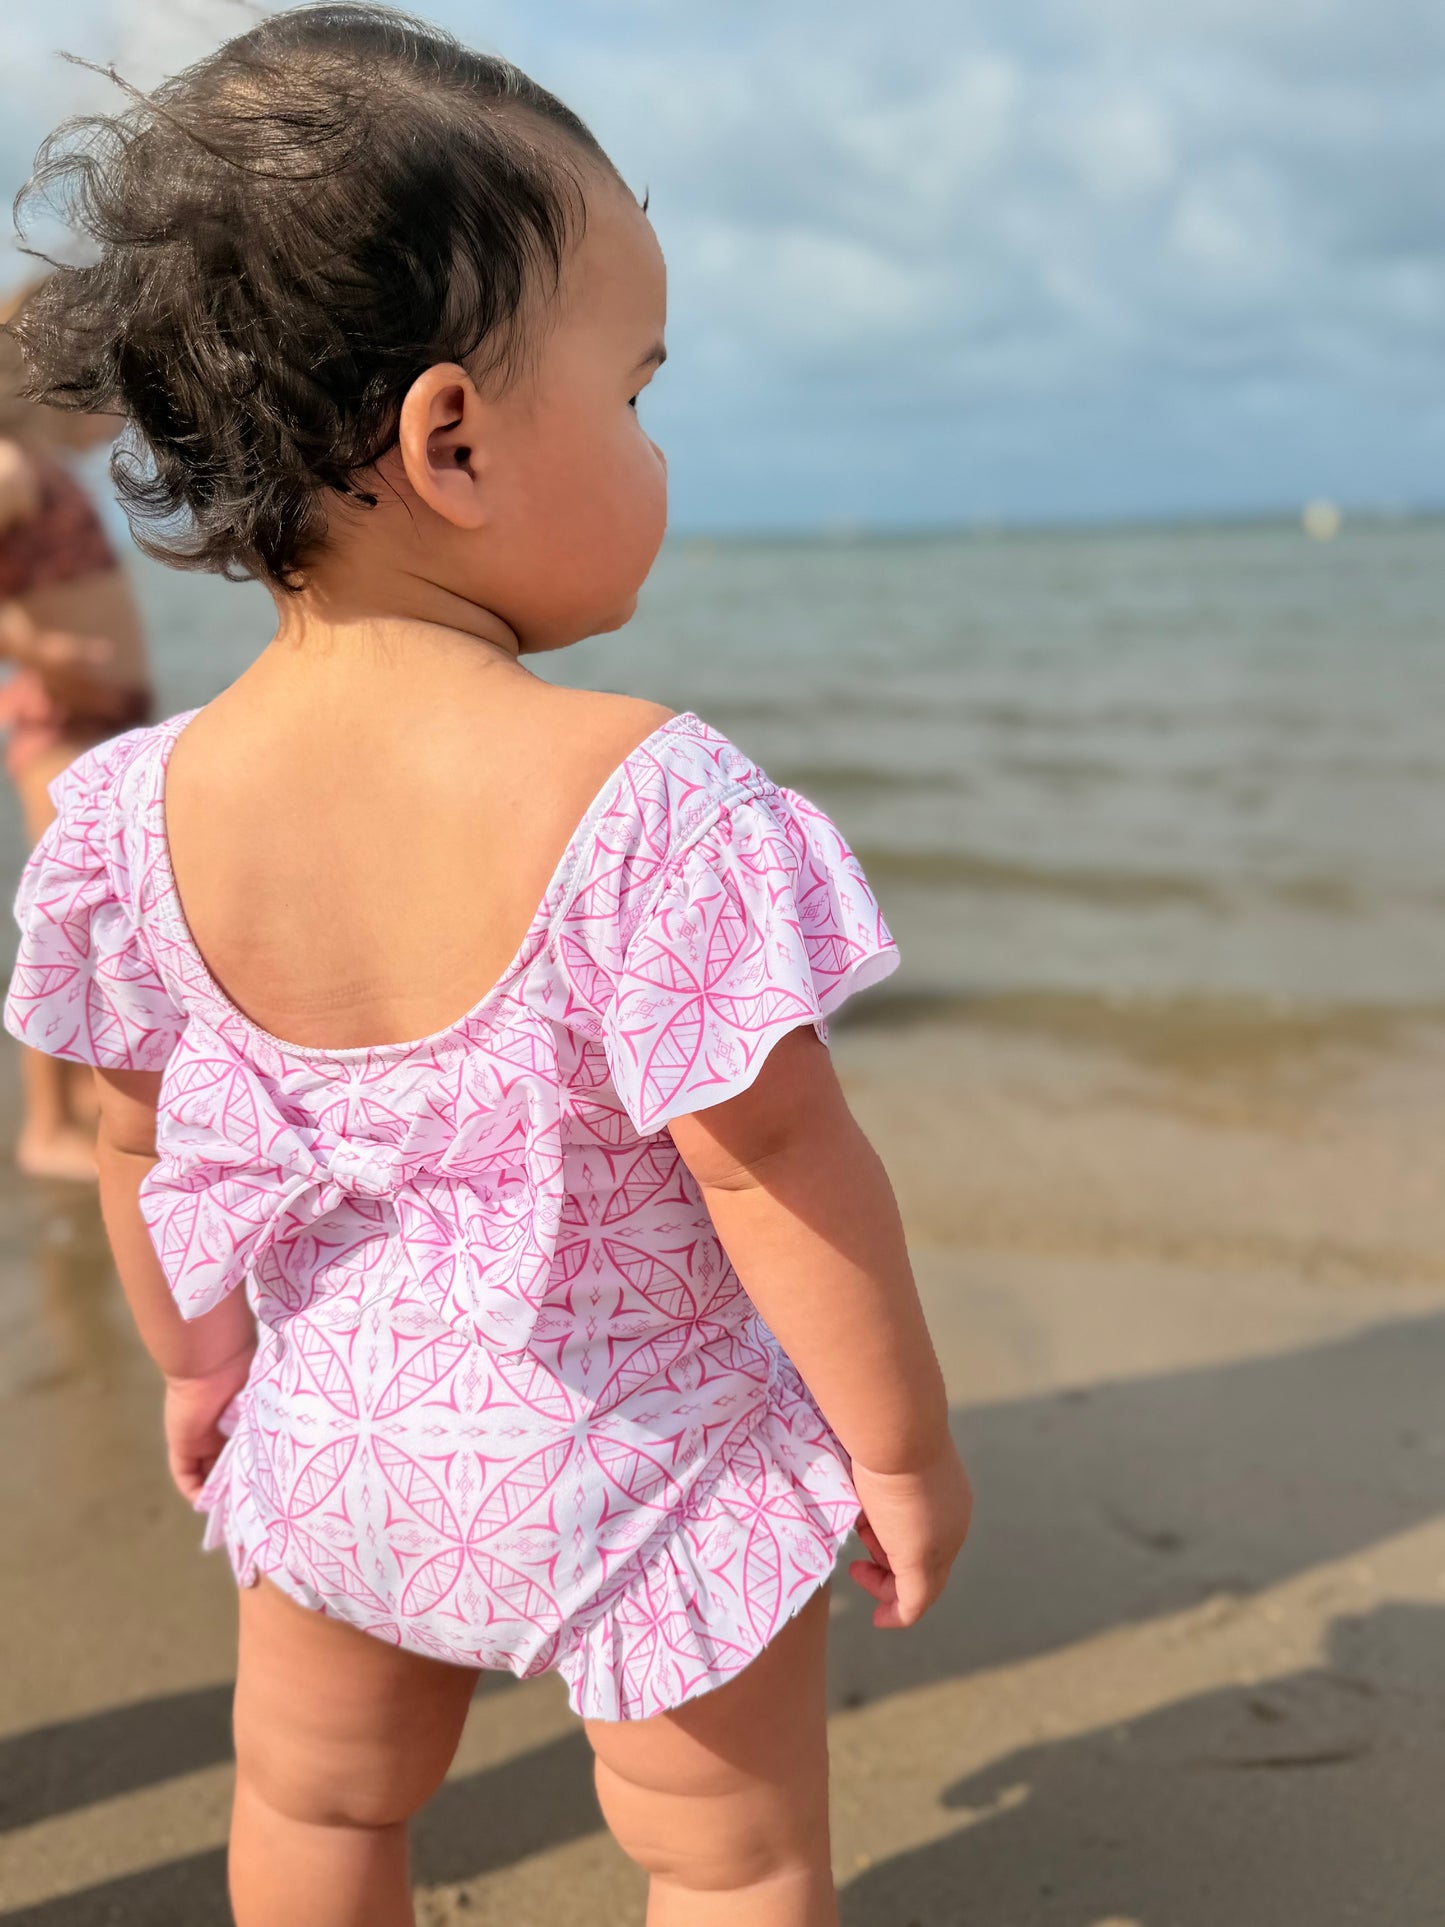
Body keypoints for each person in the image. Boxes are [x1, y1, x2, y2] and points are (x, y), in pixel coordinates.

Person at [3, 9, 972, 1924]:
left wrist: (203, 1365)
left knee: (322, 1816)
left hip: (339, 1444)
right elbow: (771, 1164)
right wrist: (904, 1442)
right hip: (646, 1471)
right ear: (452, 437)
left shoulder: (122, 815)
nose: (658, 445)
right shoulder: (652, 796)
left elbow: (137, 1145)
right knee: (728, 1858)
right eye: (637, 392)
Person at [0, 285, 153, 1179]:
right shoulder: (12, 469)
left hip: (98, 718)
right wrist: (43, 649)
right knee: (67, 917)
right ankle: (46, 1126)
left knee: (101, 909)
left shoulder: (38, 471)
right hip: (56, 716)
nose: (125, 415)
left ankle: (91, 1099)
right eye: (114, 392)